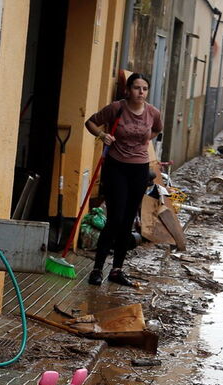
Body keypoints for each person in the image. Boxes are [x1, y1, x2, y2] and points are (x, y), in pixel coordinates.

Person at [84, 73, 163, 287]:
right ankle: (98, 269)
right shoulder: (116, 108)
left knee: (128, 220)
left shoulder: (153, 113)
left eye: (144, 88)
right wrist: (102, 136)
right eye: (136, 88)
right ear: (128, 90)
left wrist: (141, 143)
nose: (141, 92)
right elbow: (90, 122)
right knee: (115, 219)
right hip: (116, 166)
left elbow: (156, 129)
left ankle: (117, 270)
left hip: (139, 169)